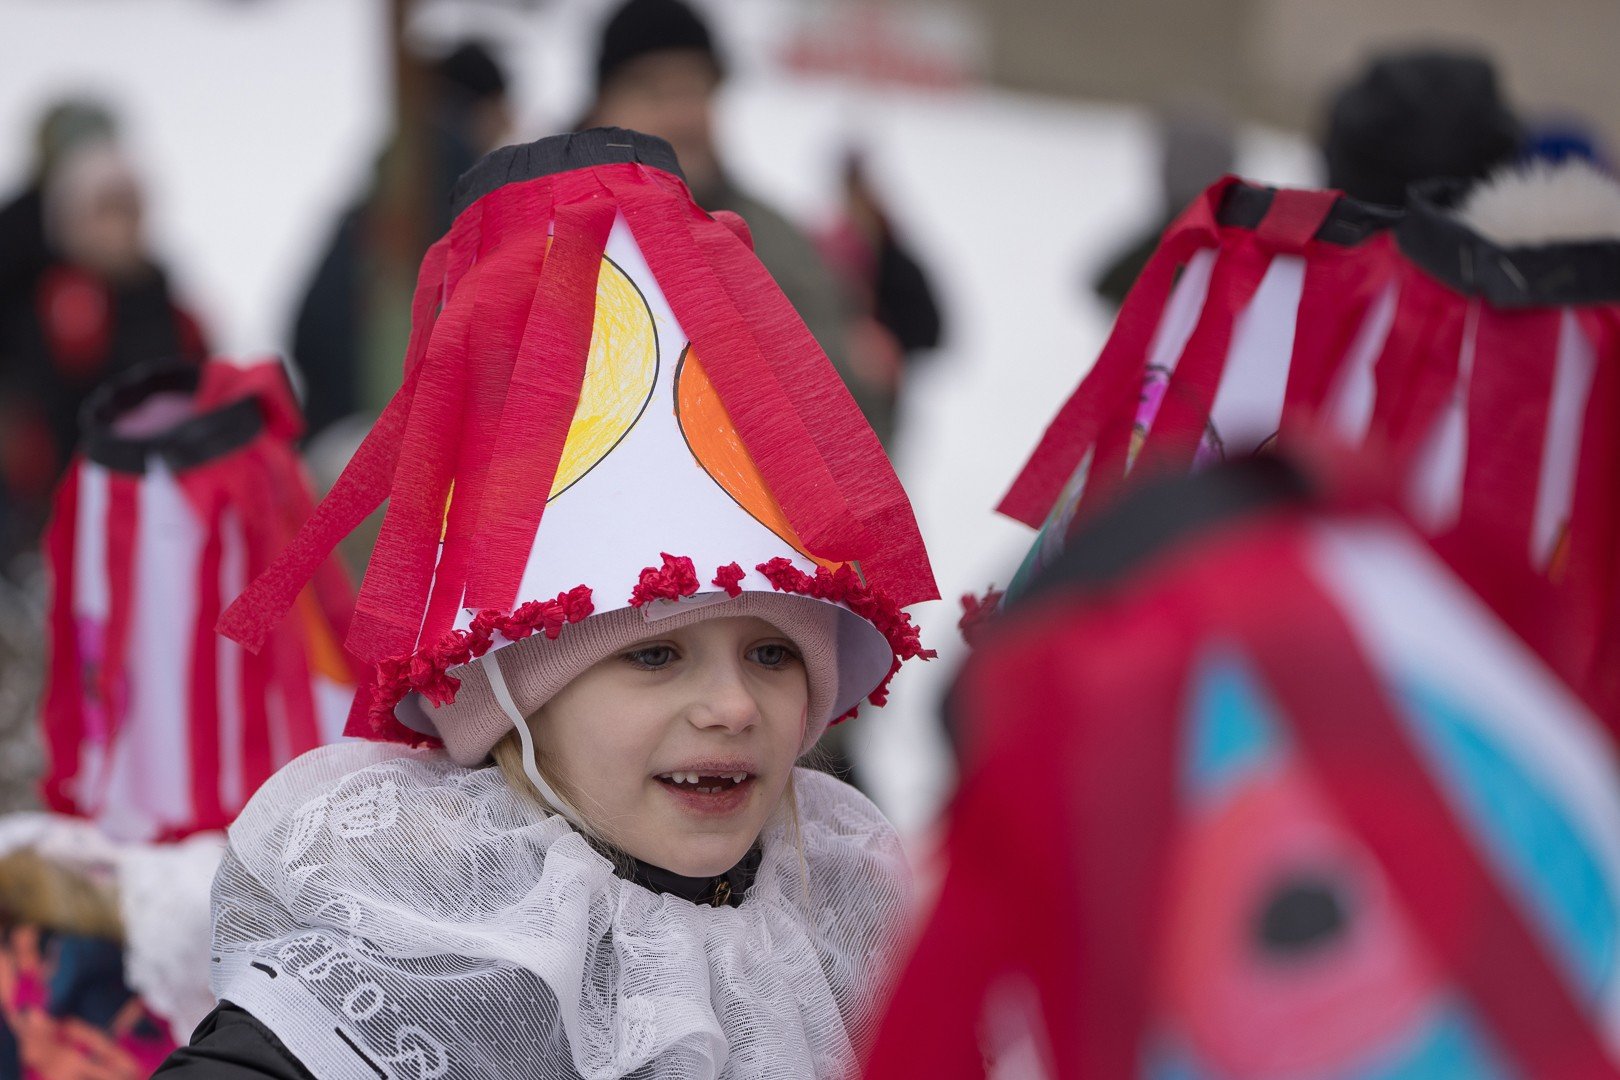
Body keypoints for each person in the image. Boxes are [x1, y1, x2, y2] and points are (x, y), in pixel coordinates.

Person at [156, 128, 937, 1077]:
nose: (734, 706)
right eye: (654, 654)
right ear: (515, 700)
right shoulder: (410, 956)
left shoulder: (852, 925)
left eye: (772, 653)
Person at [580, 0, 864, 433]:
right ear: (601, 105)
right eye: (652, 91)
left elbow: (846, 418)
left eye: (695, 89)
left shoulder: (774, 239)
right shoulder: (540, 236)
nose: (681, 115)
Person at [0, 101, 207, 570]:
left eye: (128, 211)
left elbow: (202, 381)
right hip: (67, 500)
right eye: (104, 213)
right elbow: (49, 406)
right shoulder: (58, 299)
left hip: (160, 498)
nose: (119, 229)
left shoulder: (167, 299)